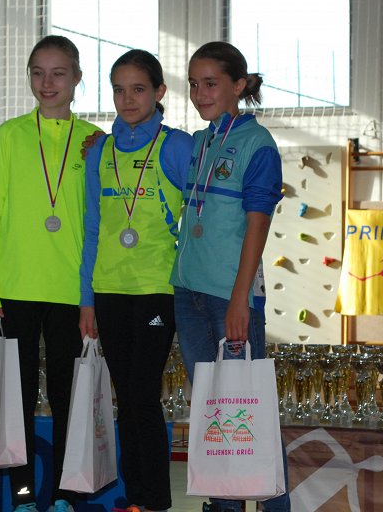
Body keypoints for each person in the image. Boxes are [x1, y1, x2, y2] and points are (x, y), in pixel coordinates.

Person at [0, 35, 101, 512]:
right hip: (14, 290)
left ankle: (66, 495)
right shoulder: (9, 135)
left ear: (77, 78)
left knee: (69, 399)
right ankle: (24, 495)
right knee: (16, 401)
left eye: (58, 73)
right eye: (38, 73)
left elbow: (99, 225)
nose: (47, 83)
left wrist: (93, 296)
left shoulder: (95, 142)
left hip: (72, 292)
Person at [170, 41, 291, 512]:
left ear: (238, 86)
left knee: (250, 414)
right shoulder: (200, 142)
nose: (200, 94)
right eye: (193, 84)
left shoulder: (257, 144)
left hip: (229, 297)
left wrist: (242, 298)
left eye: (211, 84)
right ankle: (223, 506)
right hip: (189, 293)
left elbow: (258, 224)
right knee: (213, 414)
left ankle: (275, 506)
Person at [79, 49, 193, 512]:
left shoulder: (177, 146)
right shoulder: (99, 151)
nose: (128, 99)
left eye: (139, 89)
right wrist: (86, 300)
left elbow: (204, 214)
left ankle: (157, 501)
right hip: (109, 292)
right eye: (119, 90)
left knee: (143, 394)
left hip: (156, 291)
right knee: (125, 398)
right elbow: (92, 229)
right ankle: (136, 498)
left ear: (159, 91)